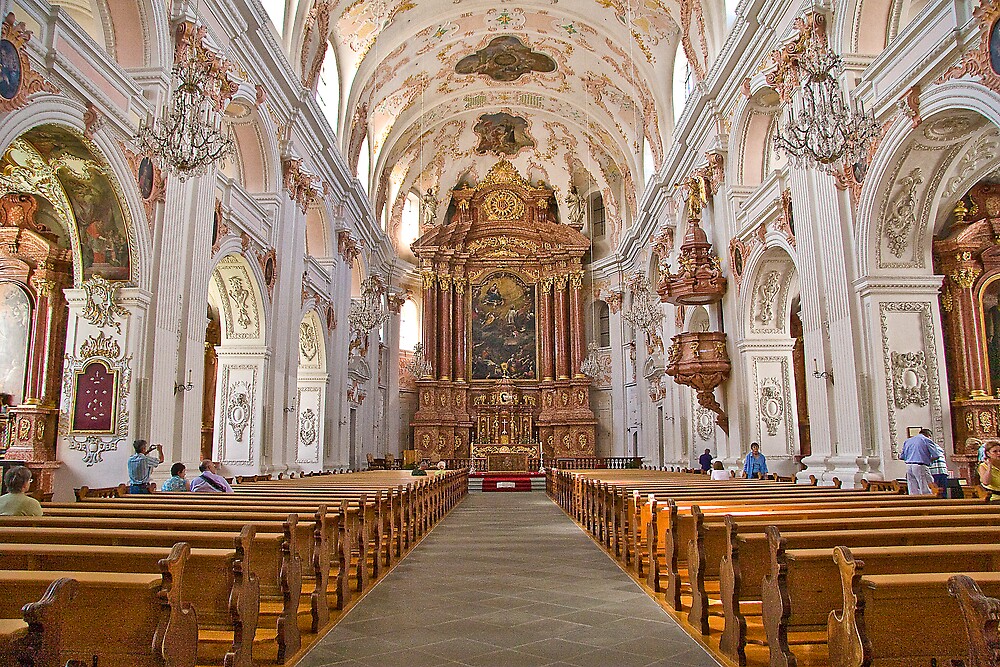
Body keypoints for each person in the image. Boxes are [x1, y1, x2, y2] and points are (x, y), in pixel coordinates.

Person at [901, 428, 937, 495]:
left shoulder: (908, 441)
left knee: (912, 488)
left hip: (909, 466)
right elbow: (936, 455)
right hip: (920, 465)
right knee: (925, 487)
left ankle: (915, 502)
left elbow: (902, 456)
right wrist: (928, 460)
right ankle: (927, 503)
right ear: (928, 435)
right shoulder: (926, 440)